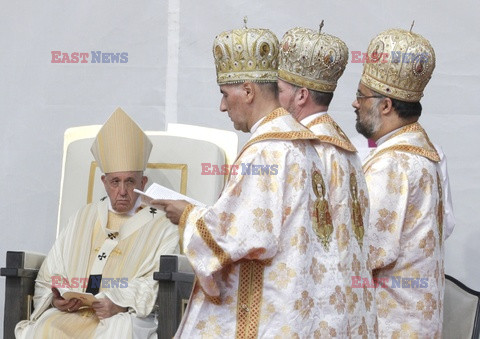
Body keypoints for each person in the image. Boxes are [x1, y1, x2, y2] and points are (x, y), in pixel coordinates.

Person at [153, 23, 357, 338]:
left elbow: (245, 234)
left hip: (264, 311)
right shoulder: (304, 144)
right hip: (295, 307)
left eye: (225, 93)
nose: (222, 105)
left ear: (248, 91)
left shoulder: (267, 150)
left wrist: (187, 216)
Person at [15, 108, 179, 338]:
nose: (122, 191)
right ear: (104, 182)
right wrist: (58, 298)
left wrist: (118, 302)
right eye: (115, 182)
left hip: (121, 316)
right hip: (73, 314)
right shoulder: (84, 216)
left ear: (143, 181)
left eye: (130, 181)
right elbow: (52, 271)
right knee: (45, 328)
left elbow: (157, 282)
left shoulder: (163, 226)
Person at [277, 26, 377, 336]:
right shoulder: (347, 148)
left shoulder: (302, 149)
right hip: (348, 309)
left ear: (301, 95)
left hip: (314, 311)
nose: (273, 102)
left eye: (278, 91)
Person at [352, 28, 447, 337]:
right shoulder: (425, 152)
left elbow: (365, 249)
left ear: (386, 106)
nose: (355, 104)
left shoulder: (392, 165)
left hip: (391, 323)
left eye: (361, 95)